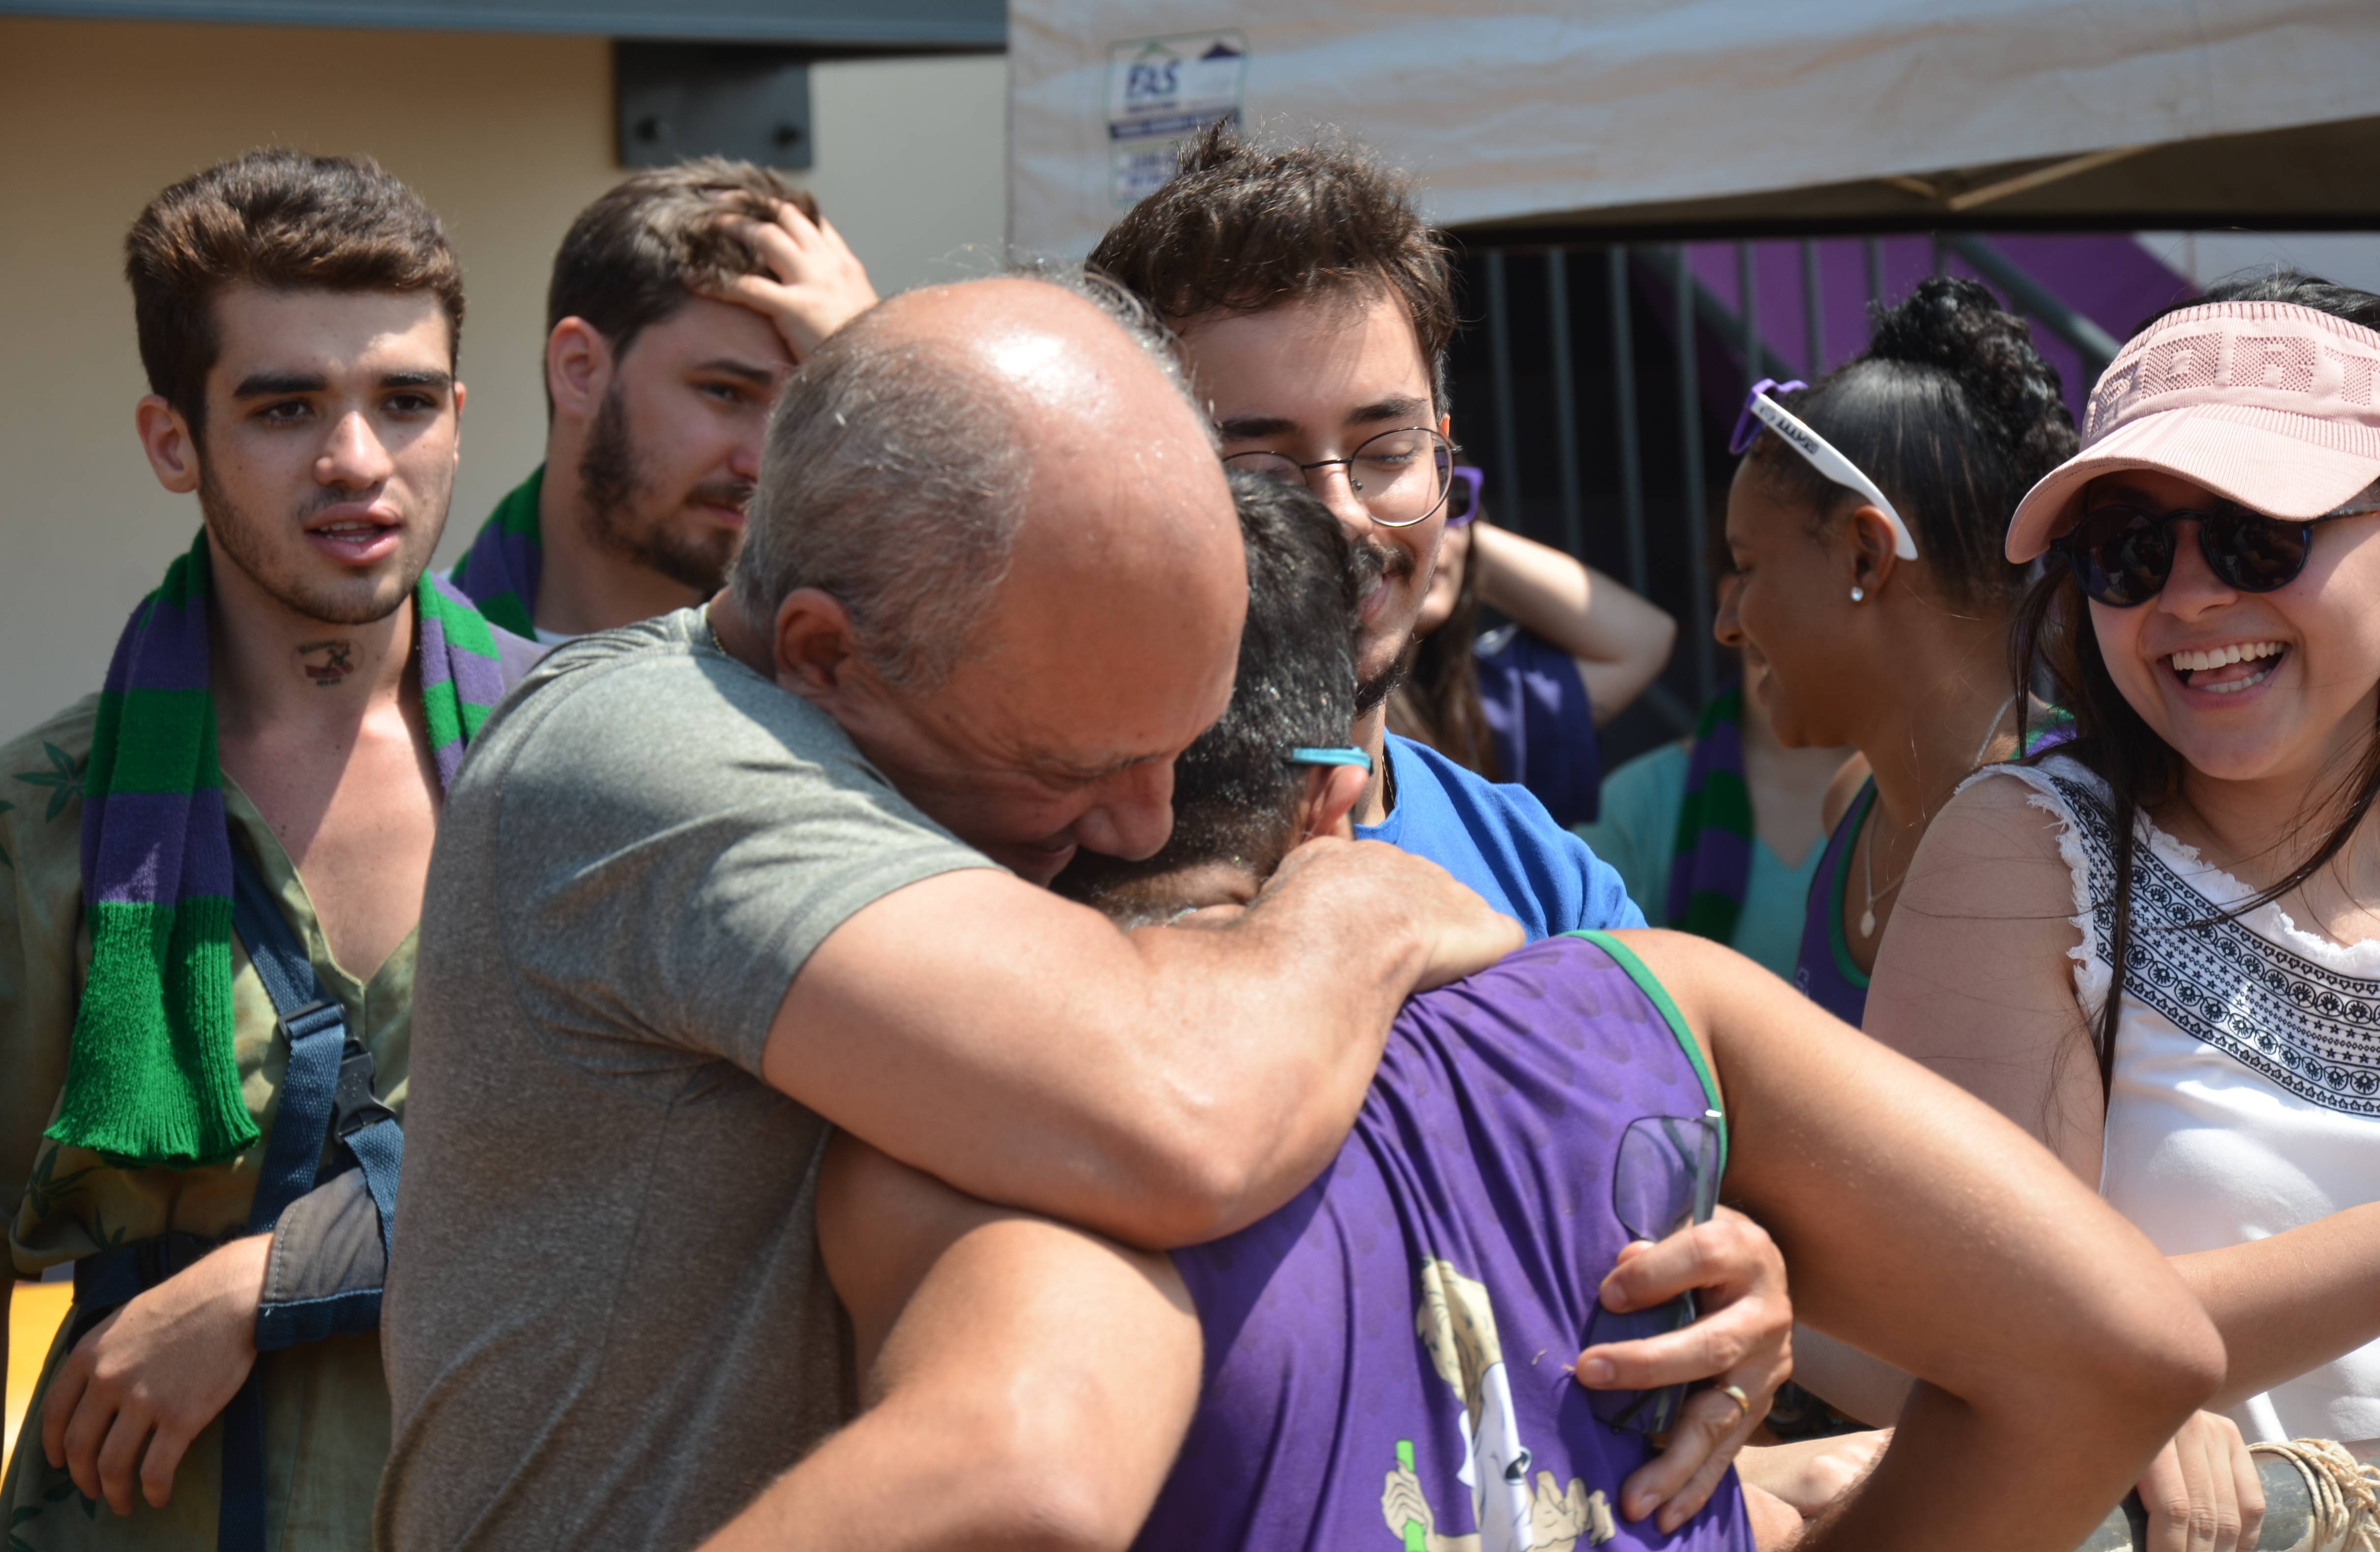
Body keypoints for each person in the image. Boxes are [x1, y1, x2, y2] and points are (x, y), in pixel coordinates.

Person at [764, 468, 2231, 1552]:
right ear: (1342, 784)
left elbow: (1020, 1472)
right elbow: (2123, 1345)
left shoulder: (953, 1129)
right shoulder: (1666, 1002)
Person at [374, 273, 1530, 1552]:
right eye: (1074, 767)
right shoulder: (645, 753)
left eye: (1181, 746)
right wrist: (1365, 905)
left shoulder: (912, 753)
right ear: (822, 656)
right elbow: (1185, 1111)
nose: (1148, 827)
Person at [0, 151, 539, 1551]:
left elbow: (664, 1158)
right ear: (174, 441)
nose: (356, 459)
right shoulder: (45, 818)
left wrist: (272, 1278)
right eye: (285, 406)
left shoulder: (595, 765)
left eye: (405, 402)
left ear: (462, 422)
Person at [1864, 275, 2380, 1551]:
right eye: (2126, 549)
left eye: (2256, 535)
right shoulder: (2030, 853)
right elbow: (1986, 1330)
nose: (2188, 597)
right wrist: (2126, 1385)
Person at [1089, 122, 1649, 943]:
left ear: (1444, 453)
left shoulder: (1548, 884)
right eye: (1259, 468)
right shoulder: (1038, 874)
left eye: (1386, 451)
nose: (1343, 514)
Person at [1712, 276, 2078, 1026]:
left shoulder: (2074, 829)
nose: (1726, 622)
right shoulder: (1852, 800)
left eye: (1748, 569)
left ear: (1865, 558)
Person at [449, 159, 878, 641]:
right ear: (580, 371)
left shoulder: (839, 675)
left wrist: (875, 384)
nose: (762, 463)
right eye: (725, 392)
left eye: (804, 410)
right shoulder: (395, 676)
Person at [1391, 465, 1677, 827]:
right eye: (1405, 509)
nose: (1436, 528)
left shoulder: (1485, 707)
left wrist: (1452, 530)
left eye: (1451, 501)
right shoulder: (1323, 711)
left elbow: (1645, 640)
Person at [1580, 625, 1853, 981]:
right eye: (1744, 572)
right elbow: (1589, 990)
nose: (1726, 620)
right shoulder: (1633, 801)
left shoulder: (1916, 798)